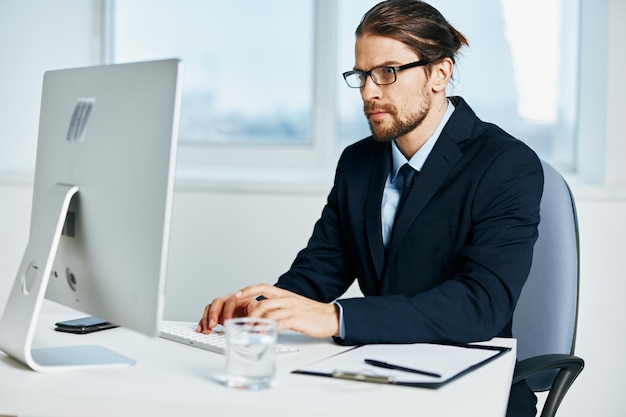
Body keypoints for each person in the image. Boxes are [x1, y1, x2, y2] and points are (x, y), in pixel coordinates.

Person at [198, 1, 543, 415]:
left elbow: (481, 305)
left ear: (439, 73)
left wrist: (338, 318)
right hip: (377, 379)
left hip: (469, 386)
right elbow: (320, 271)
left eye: (387, 73)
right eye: (362, 75)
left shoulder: (505, 164)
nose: (369, 91)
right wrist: (262, 307)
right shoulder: (358, 163)